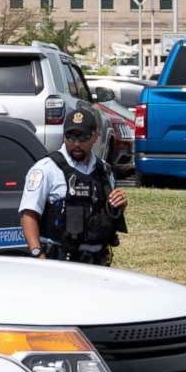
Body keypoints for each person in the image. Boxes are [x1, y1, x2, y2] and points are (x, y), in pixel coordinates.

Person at [20, 107, 127, 264]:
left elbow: (105, 214)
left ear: (95, 137)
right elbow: (28, 214)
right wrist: (37, 255)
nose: (76, 143)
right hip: (59, 261)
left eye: (83, 137)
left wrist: (119, 205)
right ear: (64, 136)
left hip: (98, 262)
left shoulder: (104, 170)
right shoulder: (46, 169)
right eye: (70, 137)